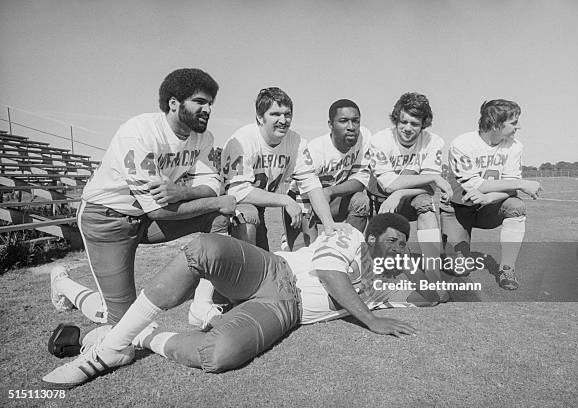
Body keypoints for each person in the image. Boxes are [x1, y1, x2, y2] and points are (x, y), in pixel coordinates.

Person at [42, 214, 420, 388]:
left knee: (219, 354)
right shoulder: (350, 236)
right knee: (204, 248)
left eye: (402, 246)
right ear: (371, 239)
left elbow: (433, 292)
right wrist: (370, 319)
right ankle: (111, 344)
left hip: (287, 309)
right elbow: (332, 274)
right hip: (274, 271)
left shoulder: (384, 282)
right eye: (392, 241)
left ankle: (131, 336)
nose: (397, 250)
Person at [49, 68, 236, 330]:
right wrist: (216, 201)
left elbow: (212, 183)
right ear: (174, 103)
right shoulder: (139, 132)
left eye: (210, 104)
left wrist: (184, 192)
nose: (207, 110)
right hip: (107, 219)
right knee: (124, 325)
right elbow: (159, 209)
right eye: (200, 102)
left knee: (218, 219)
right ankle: (63, 284)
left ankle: (201, 306)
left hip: (144, 218)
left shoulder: (203, 137)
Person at [220, 87, 341, 251]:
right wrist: (285, 200)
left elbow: (311, 183)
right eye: (275, 114)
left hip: (260, 206)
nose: (283, 120)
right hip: (231, 207)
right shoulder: (242, 140)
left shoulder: (295, 141)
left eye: (287, 114)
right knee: (247, 220)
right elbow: (237, 192)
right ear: (260, 117)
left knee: (264, 260)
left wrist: (328, 223)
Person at [440, 99, 542, 290]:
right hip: (458, 208)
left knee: (516, 206)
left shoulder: (514, 146)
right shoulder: (462, 144)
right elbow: (474, 184)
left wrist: (488, 198)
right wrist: (522, 183)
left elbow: (509, 189)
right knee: (458, 269)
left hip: (489, 207)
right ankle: (449, 252)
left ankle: (507, 268)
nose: (518, 126)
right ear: (495, 123)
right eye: (513, 122)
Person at [367, 92, 449, 302]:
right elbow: (388, 183)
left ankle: (434, 276)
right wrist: (429, 178)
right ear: (396, 119)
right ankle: (365, 268)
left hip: (411, 196)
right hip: (381, 198)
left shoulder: (434, 141)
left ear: (424, 125)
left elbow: (428, 185)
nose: (407, 128)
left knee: (426, 206)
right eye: (403, 121)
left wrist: (401, 192)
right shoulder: (380, 139)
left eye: (414, 123)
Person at [283, 99, 371, 250]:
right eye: (343, 121)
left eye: (355, 121)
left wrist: (329, 191)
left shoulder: (364, 137)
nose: (351, 127)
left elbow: (360, 181)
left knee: (361, 200)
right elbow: (300, 189)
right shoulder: (315, 150)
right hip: (304, 202)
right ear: (331, 125)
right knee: (310, 255)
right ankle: (290, 240)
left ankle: (346, 249)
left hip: (333, 200)